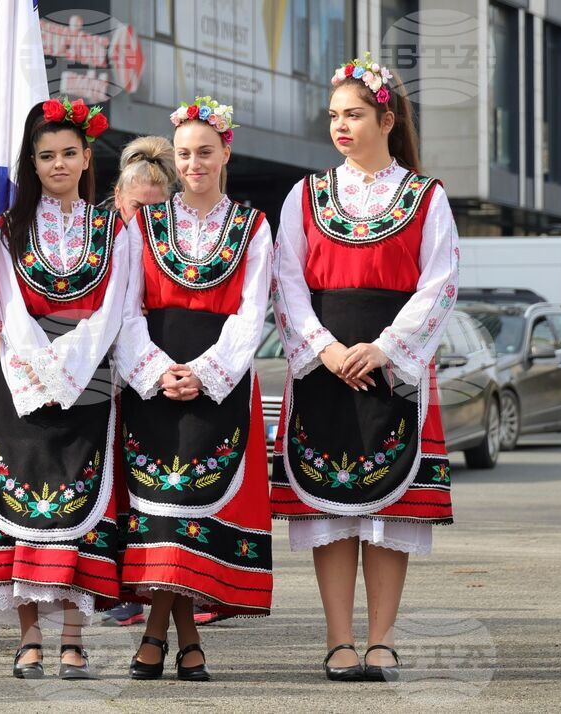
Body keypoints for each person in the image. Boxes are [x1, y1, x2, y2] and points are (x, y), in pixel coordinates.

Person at [269, 53, 458, 682]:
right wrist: (322, 348)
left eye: (353, 114)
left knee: (388, 513)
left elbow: (441, 284)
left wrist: (385, 348)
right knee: (331, 508)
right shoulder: (306, 194)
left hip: (392, 364)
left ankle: (382, 639)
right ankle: (338, 639)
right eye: (333, 116)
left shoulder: (426, 197)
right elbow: (287, 281)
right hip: (322, 363)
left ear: (386, 116)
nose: (340, 126)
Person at [0, 98, 123, 681]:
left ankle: (73, 640)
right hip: (21, 381)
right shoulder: (9, 228)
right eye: (46, 155)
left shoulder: (112, 227)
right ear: (32, 162)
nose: (58, 164)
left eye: (68, 153)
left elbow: (115, 307)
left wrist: (72, 364)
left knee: (81, 510)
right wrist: (43, 367)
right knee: (23, 508)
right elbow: (7, 306)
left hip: (91, 379)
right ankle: (29, 637)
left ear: (86, 158)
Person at [112, 96, 273, 682]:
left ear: (226, 152)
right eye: (184, 154)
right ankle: (184, 638)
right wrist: (157, 371)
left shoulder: (253, 226)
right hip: (153, 381)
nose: (194, 163)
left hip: (217, 384)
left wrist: (203, 373)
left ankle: (157, 635)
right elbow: (125, 309)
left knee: (187, 507)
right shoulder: (145, 225)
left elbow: (252, 313)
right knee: (161, 513)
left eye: (205, 152)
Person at [99, 135, 178, 630]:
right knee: (116, 481)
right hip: (103, 373)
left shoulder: (175, 238)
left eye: (156, 207)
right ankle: (121, 582)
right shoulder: (99, 231)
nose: (145, 217)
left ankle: (166, 580)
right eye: (136, 207)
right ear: (117, 198)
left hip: (157, 369)